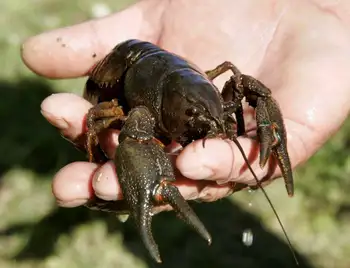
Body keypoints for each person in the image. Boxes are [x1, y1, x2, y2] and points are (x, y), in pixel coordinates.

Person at [21, 0, 350, 209]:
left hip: (174, 73)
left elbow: (240, 80)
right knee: (107, 122)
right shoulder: (141, 112)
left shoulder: (214, 95)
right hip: (125, 62)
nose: (217, 122)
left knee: (245, 85)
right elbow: (98, 116)